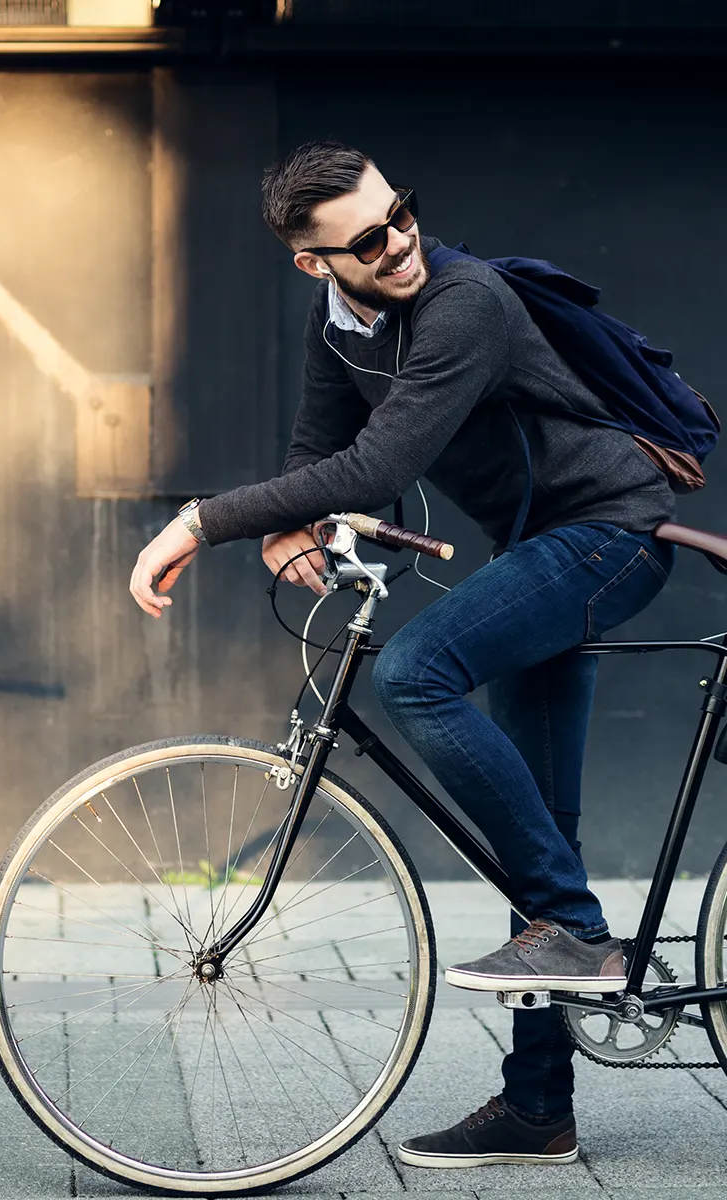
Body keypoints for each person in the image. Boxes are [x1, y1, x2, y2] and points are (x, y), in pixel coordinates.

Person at [129, 140, 678, 1170]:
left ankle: (573, 928)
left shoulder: (463, 301)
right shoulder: (337, 320)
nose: (398, 244)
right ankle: (536, 1109)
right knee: (534, 830)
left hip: (609, 533)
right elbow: (321, 447)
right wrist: (289, 521)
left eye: (401, 215)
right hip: (541, 547)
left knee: (414, 670)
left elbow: (383, 462)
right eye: (367, 240)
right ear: (314, 263)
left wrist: (203, 520)